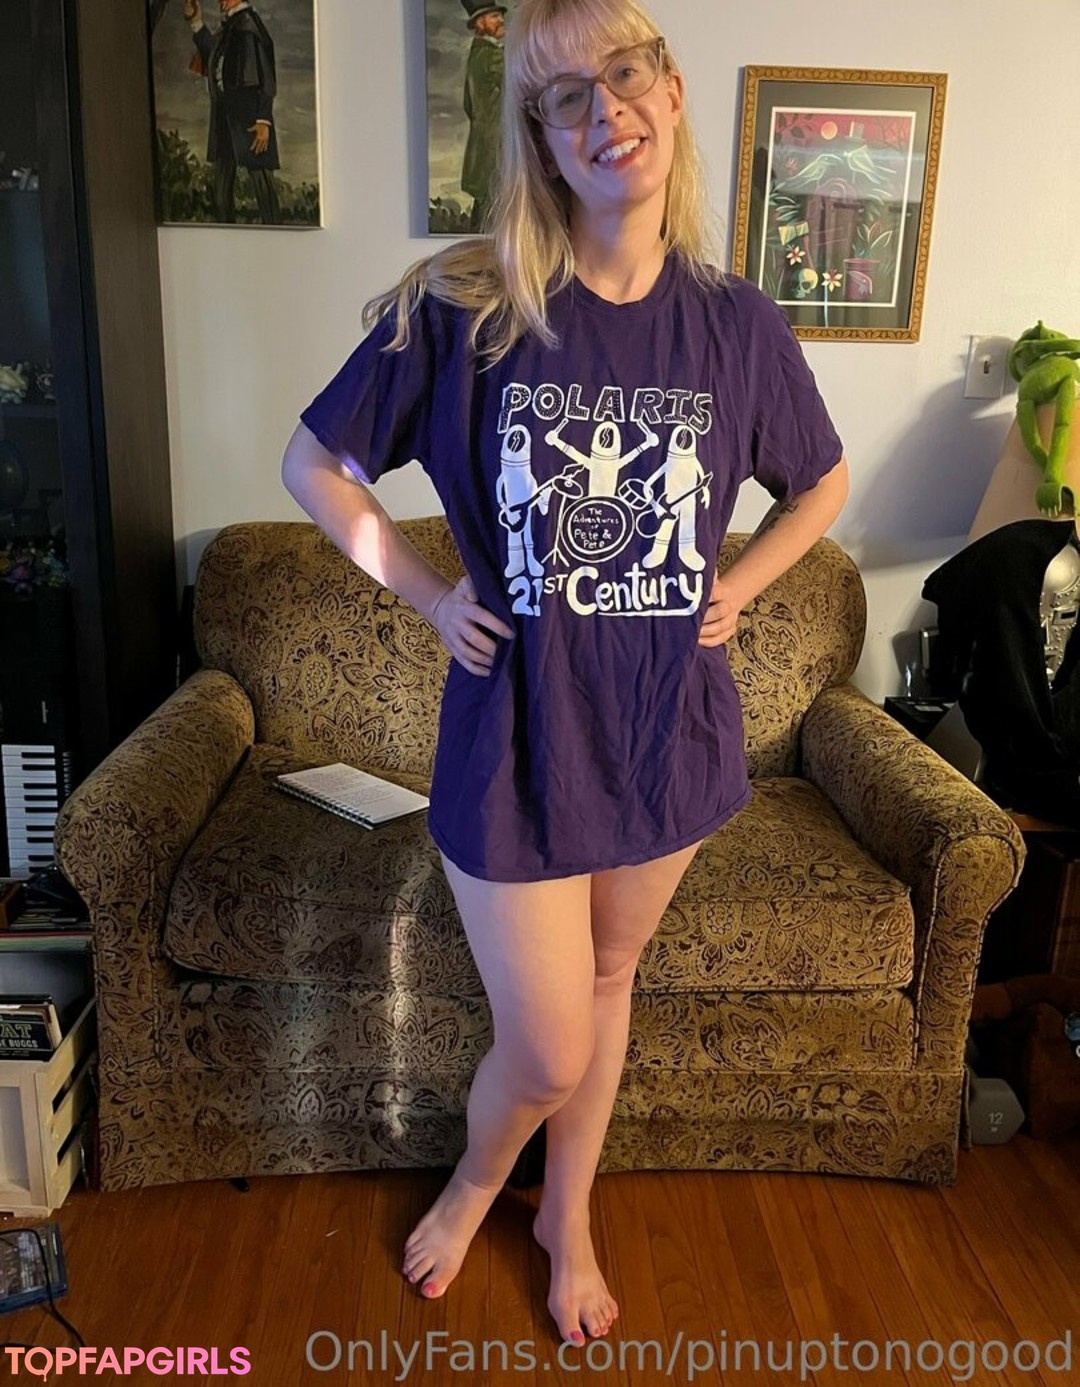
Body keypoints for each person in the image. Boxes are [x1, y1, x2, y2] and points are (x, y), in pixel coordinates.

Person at [282, 0, 849, 1349]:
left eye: (625, 72)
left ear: (669, 89)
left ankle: (567, 1214)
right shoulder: (467, 308)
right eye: (564, 98)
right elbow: (316, 464)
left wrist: (744, 581)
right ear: (538, 138)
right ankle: (483, 1179)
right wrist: (430, 595)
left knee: (607, 985)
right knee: (548, 1043)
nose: (606, 113)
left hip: (667, 733)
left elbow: (821, 482)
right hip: (515, 737)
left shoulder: (737, 325)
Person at [184, 0, 281, 225]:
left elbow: (266, 77)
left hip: (249, 119)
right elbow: (214, 57)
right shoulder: (232, 26)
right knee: (222, 189)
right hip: (226, 119)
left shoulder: (248, 25)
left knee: (262, 186)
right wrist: (196, 22)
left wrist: (263, 120)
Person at [460, 1, 508, 231]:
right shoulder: (492, 56)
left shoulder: (476, 54)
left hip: (483, 147)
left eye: (500, 15)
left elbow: (467, 105)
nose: (501, 20)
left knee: (484, 213)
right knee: (493, 216)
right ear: (480, 23)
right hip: (495, 148)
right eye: (494, 17)